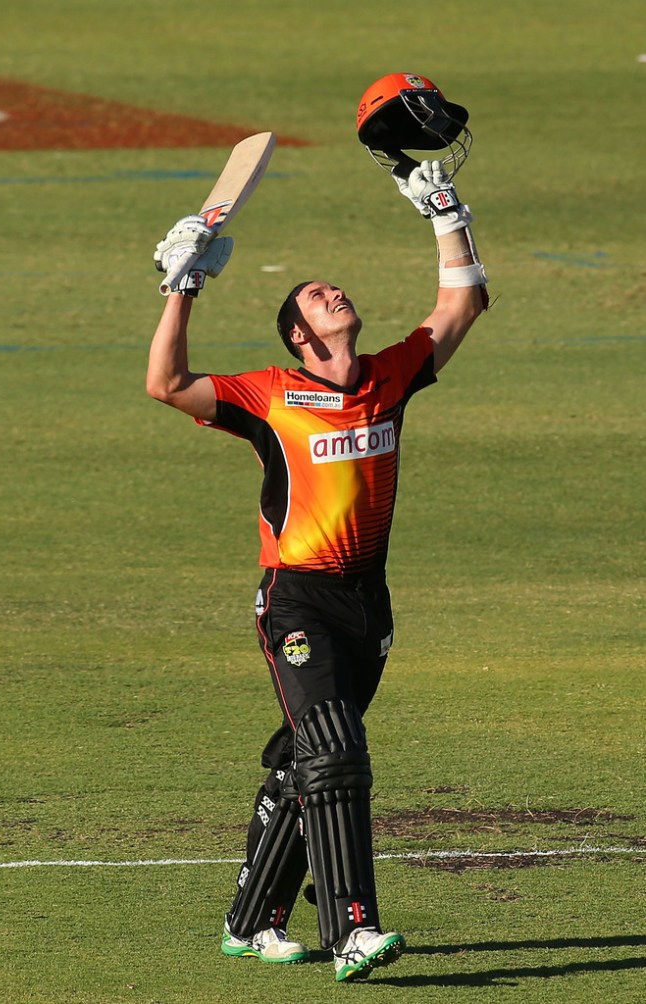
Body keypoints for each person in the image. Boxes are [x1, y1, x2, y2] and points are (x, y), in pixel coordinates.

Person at [146, 159, 488, 982]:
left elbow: (462, 303)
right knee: (336, 751)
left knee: (309, 761)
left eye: (333, 287)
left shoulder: (389, 376)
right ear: (299, 335)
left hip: (367, 603)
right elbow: (165, 383)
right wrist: (181, 286)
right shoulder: (271, 395)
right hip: (294, 598)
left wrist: (446, 210)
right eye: (315, 295)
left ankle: (251, 918)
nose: (333, 293)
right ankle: (352, 930)